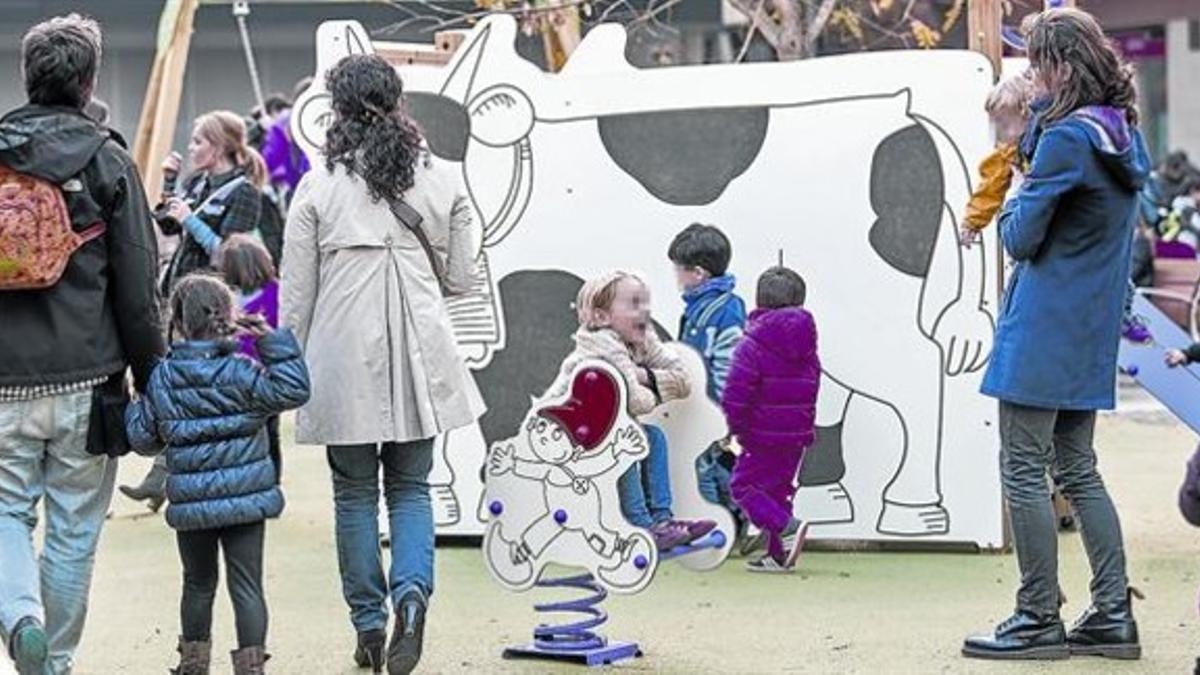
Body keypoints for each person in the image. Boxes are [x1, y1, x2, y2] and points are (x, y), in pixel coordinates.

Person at [280, 54, 484, 675]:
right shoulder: (441, 178)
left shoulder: (318, 186)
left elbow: (296, 297)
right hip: (419, 346)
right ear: (398, 101)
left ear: (336, 111)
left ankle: (369, 626)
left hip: (342, 348)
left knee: (352, 496)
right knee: (412, 489)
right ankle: (413, 600)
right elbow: (461, 276)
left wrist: (288, 369)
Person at [963, 7, 1151, 662]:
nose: (1028, 72)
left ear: (1061, 68)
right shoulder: (1123, 132)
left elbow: (1018, 236)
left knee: (1022, 470)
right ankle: (1112, 613)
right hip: (1088, 327)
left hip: (1042, 325)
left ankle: (1037, 615)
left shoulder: (1067, 139)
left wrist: (1018, 182)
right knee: (1078, 468)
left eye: (1035, 61)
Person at [0, 14, 165, 675]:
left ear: (27, 76)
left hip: (2, 380)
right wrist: (153, 379)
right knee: (73, 532)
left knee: (4, 511)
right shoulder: (110, 161)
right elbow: (137, 286)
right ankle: (55, 659)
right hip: (89, 383)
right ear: (89, 81)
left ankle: (19, 617)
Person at [126, 274, 310, 675]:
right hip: (245, 499)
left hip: (192, 502)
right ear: (229, 316)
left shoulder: (164, 377)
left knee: (197, 583)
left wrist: (137, 400)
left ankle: (193, 665)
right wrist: (270, 339)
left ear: (176, 320)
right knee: (247, 586)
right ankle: (251, 667)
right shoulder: (242, 371)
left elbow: (144, 440)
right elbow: (293, 391)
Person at [121, 111, 270, 510]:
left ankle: (172, 476)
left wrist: (192, 221)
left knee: (197, 392)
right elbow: (167, 226)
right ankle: (162, 477)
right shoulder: (198, 182)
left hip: (212, 303)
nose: (191, 149)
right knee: (179, 389)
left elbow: (229, 253)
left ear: (219, 146)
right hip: (178, 297)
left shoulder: (245, 192)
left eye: (198, 142)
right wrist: (169, 185)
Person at [551, 271, 718, 551]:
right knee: (627, 442)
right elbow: (636, 403)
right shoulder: (602, 345)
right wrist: (657, 383)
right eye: (634, 304)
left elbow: (684, 380)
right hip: (569, 435)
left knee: (652, 436)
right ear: (603, 317)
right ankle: (641, 524)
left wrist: (644, 376)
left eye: (645, 303)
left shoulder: (641, 337)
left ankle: (663, 521)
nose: (645, 311)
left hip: (606, 429)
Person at [722, 267, 820, 573]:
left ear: (759, 301)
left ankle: (787, 527)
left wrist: (731, 427)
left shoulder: (752, 344)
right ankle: (779, 555)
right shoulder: (807, 346)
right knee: (779, 491)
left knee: (743, 487)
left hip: (760, 435)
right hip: (796, 436)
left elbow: (737, 391)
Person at [668, 223, 747, 535]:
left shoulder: (725, 310)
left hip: (712, 406)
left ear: (697, 273)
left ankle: (720, 528)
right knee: (710, 464)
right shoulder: (697, 308)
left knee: (704, 465)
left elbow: (727, 364)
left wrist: (720, 409)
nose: (676, 276)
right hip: (698, 403)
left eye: (679, 270)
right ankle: (738, 518)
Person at [218, 233, 282, 482]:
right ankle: (271, 483)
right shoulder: (277, 292)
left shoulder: (225, 299)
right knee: (270, 433)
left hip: (236, 377)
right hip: (268, 376)